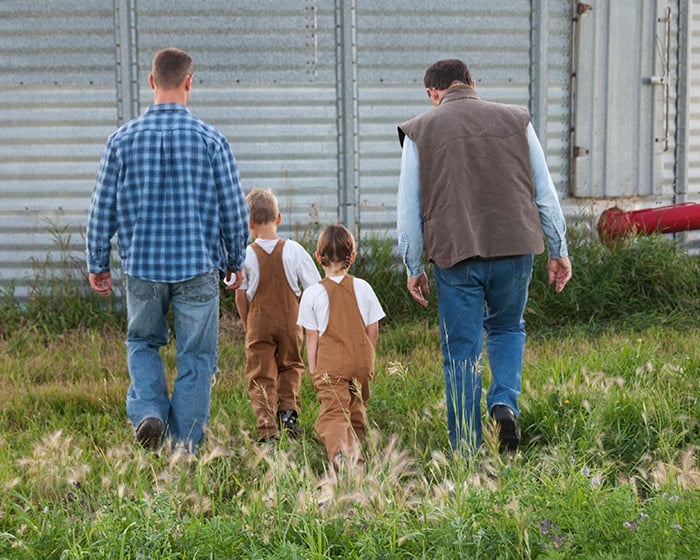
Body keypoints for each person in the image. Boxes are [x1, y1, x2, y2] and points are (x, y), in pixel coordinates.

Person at [396, 58, 572, 454]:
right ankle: (504, 404)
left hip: (456, 256)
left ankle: (466, 450)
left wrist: (413, 265)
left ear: (433, 94)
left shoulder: (419, 130)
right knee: (508, 328)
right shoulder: (516, 120)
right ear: (473, 82)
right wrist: (558, 250)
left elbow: (408, 210)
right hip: (515, 250)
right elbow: (544, 193)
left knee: (461, 349)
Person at [86, 47, 249, 452]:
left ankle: (149, 413)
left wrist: (97, 261)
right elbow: (233, 206)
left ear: (151, 82)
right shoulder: (212, 141)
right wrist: (235, 260)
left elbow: (101, 206)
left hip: (142, 266)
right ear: (189, 83)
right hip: (198, 267)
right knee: (196, 357)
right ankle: (185, 447)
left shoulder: (120, 141)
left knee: (143, 342)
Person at [235, 188, 321, 442]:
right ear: (279, 218)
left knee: (260, 372)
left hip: (258, 322)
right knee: (291, 366)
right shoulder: (294, 250)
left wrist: (247, 322)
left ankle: (266, 428)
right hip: (290, 320)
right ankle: (287, 414)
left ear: (249, 224)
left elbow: (240, 296)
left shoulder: (246, 255)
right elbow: (314, 288)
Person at [297, 224, 385, 470]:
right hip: (361, 359)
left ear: (318, 257)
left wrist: (314, 369)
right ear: (353, 257)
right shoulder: (363, 287)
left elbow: (311, 337)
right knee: (356, 405)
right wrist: (368, 352)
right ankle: (357, 448)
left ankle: (341, 455)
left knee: (334, 411)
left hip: (331, 364)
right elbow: (373, 327)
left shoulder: (312, 294)